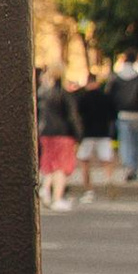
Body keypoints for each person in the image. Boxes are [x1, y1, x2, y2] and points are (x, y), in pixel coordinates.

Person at [35, 67, 78, 211]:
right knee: (61, 166)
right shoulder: (63, 94)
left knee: (49, 163)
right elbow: (72, 116)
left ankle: (45, 188)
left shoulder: (43, 93)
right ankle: (57, 198)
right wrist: (78, 134)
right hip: (63, 133)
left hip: (46, 132)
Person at [71, 66, 117, 203]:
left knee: (84, 161)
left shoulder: (82, 98)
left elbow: (77, 116)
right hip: (103, 133)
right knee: (106, 160)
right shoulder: (105, 97)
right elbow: (113, 114)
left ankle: (89, 190)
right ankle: (108, 179)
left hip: (87, 134)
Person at [108, 52, 138, 184]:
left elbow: (111, 97)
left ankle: (128, 166)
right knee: (135, 142)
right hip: (137, 114)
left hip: (122, 113)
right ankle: (134, 167)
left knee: (125, 141)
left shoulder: (117, 78)